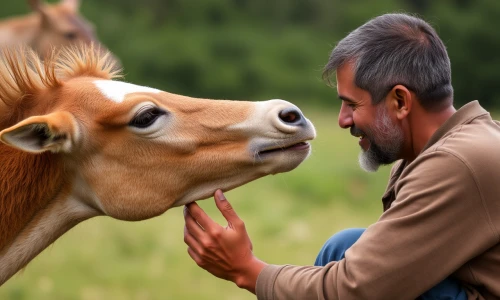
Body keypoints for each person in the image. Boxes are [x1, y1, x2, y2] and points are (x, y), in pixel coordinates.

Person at [183, 13, 500, 299]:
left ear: (400, 101)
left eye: (352, 105)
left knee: (345, 251)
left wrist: (246, 270)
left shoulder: (456, 164)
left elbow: (354, 289)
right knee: (343, 247)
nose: (342, 120)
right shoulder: (449, 148)